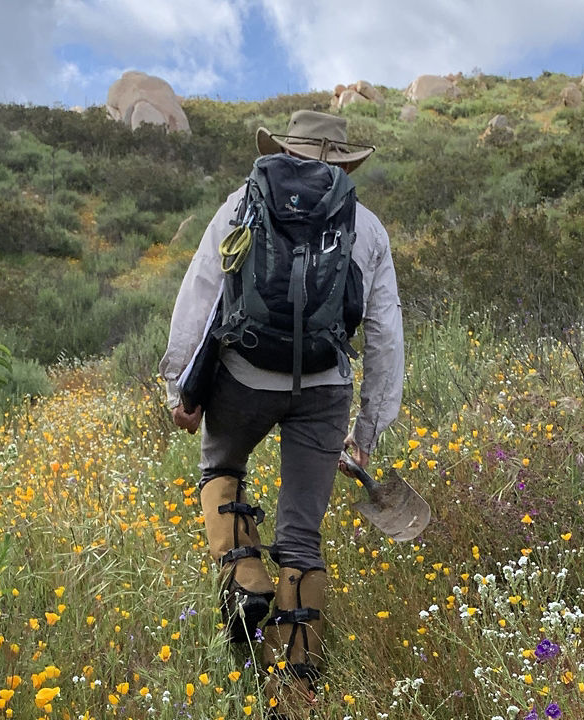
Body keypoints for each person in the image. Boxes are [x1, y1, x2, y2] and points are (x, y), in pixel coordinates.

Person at [158, 110, 404, 716]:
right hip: (324, 391)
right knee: (301, 534)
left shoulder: (242, 201)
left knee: (222, 459)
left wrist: (178, 385)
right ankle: (295, 689)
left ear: (284, 148)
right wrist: (367, 432)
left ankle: (245, 579)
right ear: (343, 162)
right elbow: (384, 334)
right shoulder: (364, 225)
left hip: (243, 378)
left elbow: (202, 288)